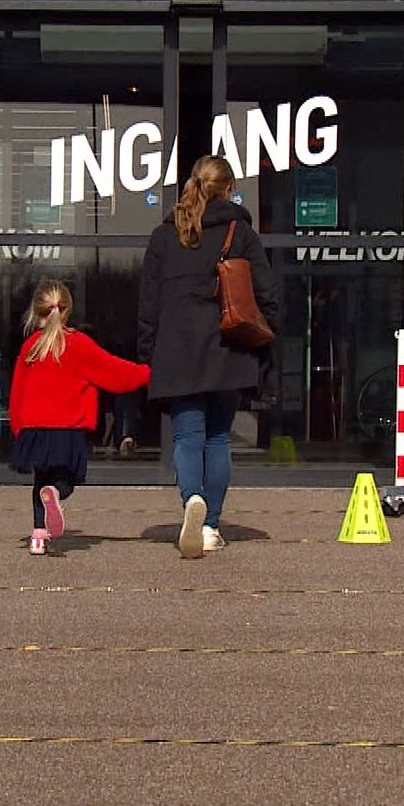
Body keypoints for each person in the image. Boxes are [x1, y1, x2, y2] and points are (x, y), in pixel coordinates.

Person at [137, 155, 282, 559]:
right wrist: (263, 339)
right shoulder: (241, 233)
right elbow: (267, 294)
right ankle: (211, 525)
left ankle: (192, 499)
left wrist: (149, 352)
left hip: (177, 351)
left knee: (187, 436)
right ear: (228, 188)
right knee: (218, 438)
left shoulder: (163, 236)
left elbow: (147, 305)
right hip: (228, 348)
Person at [9, 280, 151, 556]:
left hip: (34, 427)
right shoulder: (78, 344)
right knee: (68, 478)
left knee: (40, 479)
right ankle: (57, 493)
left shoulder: (31, 347)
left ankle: (38, 535)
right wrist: (148, 374)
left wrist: (18, 427)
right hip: (68, 427)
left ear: (37, 310)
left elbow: (17, 391)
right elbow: (114, 371)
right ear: (67, 310)